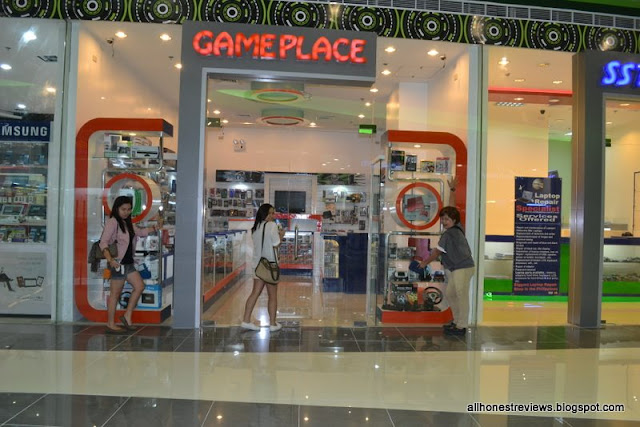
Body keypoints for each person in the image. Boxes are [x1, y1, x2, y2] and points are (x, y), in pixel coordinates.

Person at [99, 195, 160, 333]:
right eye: (123, 209)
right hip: (118, 264)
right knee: (115, 294)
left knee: (139, 286)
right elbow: (103, 242)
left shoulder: (127, 222)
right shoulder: (113, 222)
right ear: (117, 208)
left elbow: (140, 232)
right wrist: (110, 260)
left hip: (128, 263)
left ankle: (127, 316)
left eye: (128, 209)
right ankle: (110, 324)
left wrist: (155, 228)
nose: (126, 212)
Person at [418, 204, 474, 336]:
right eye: (442, 219)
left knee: (461, 295)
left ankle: (461, 326)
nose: (444, 222)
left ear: (454, 220)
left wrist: (424, 263)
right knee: (450, 294)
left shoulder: (450, 233)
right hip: (457, 268)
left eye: (447, 219)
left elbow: (437, 252)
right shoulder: (456, 229)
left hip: (463, 268)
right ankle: (457, 321)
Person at [241, 203, 285, 332]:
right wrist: (281, 235)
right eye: (270, 213)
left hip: (257, 265)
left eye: (273, 213)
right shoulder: (272, 225)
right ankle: (272, 324)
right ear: (264, 213)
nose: (272, 216)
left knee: (255, 293)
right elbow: (276, 244)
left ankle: (246, 320)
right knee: (272, 295)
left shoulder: (255, 228)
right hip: (269, 265)